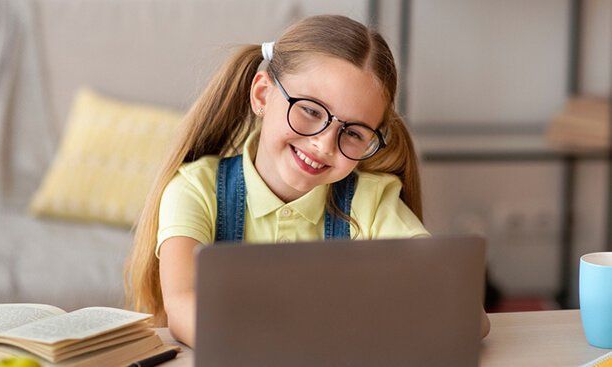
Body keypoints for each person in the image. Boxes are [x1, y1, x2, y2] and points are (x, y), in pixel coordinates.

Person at [125, 14, 490, 347]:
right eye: (310, 111)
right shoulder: (195, 189)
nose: (323, 144)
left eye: (353, 133)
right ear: (262, 95)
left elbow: (468, 316)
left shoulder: (371, 200)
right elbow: (183, 304)